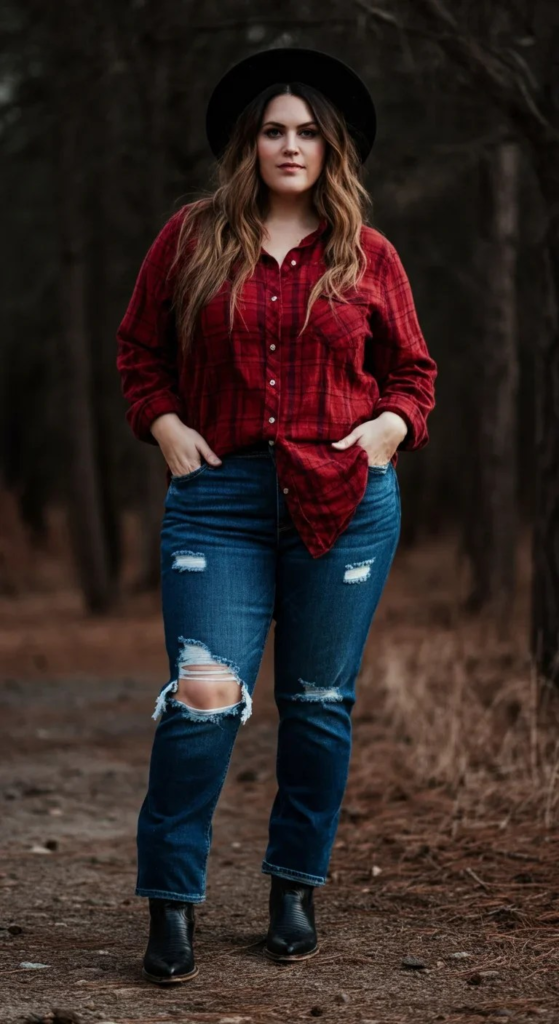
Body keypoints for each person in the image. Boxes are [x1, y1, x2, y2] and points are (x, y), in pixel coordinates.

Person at [116, 46, 437, 985]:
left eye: (306, 133)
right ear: (247, 144)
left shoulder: (368, 255)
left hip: (344, 500)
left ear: (331, 149)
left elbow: (414, 376)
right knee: (205, 696)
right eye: (272, 131)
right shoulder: (190, 237)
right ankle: (170, 902)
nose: (289, 146)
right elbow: (140, 350)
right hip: (218, 500)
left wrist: (386, 429)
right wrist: (164, 422)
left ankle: (295, 886)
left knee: (317, 704)